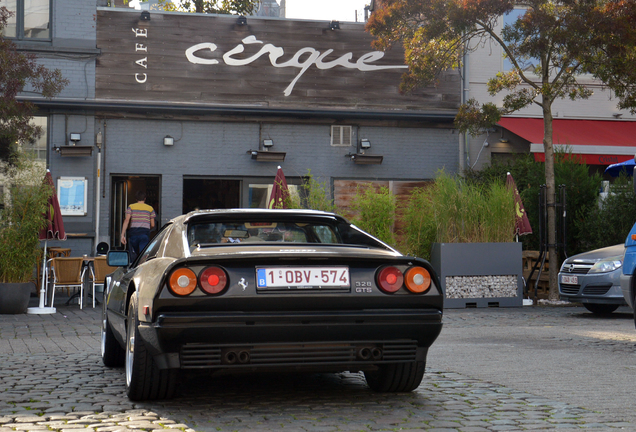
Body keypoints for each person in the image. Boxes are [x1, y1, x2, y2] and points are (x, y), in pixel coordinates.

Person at [120, 190, 155, 260]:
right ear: (145, 198)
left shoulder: (131, 206)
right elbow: (153, 225)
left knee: (133, 257)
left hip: (133, 234)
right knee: (142, 257)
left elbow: (127, 220)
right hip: (144, 234)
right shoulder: (150, 208)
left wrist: (122, 235)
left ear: (136, 199)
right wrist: (147, 228)